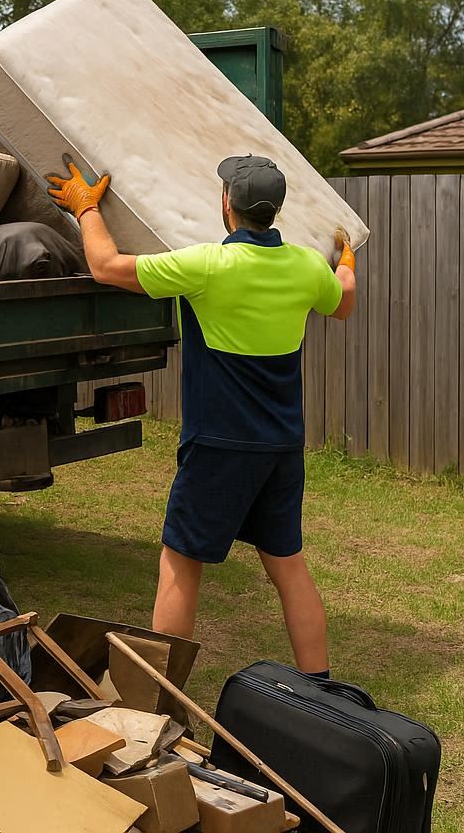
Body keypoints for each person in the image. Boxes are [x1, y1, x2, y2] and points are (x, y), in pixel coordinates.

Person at [47, 155, 357, 677]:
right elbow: (343, 301)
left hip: (218, 446)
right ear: (275, 212)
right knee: (288, 566)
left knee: (180, 562)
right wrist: (345, 259)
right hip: (281, 446)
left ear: (226, 206)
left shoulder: (207, 265)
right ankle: (320, 686)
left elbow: (106, 266)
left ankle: (159, 695)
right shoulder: (307, 267)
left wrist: (86, 209)